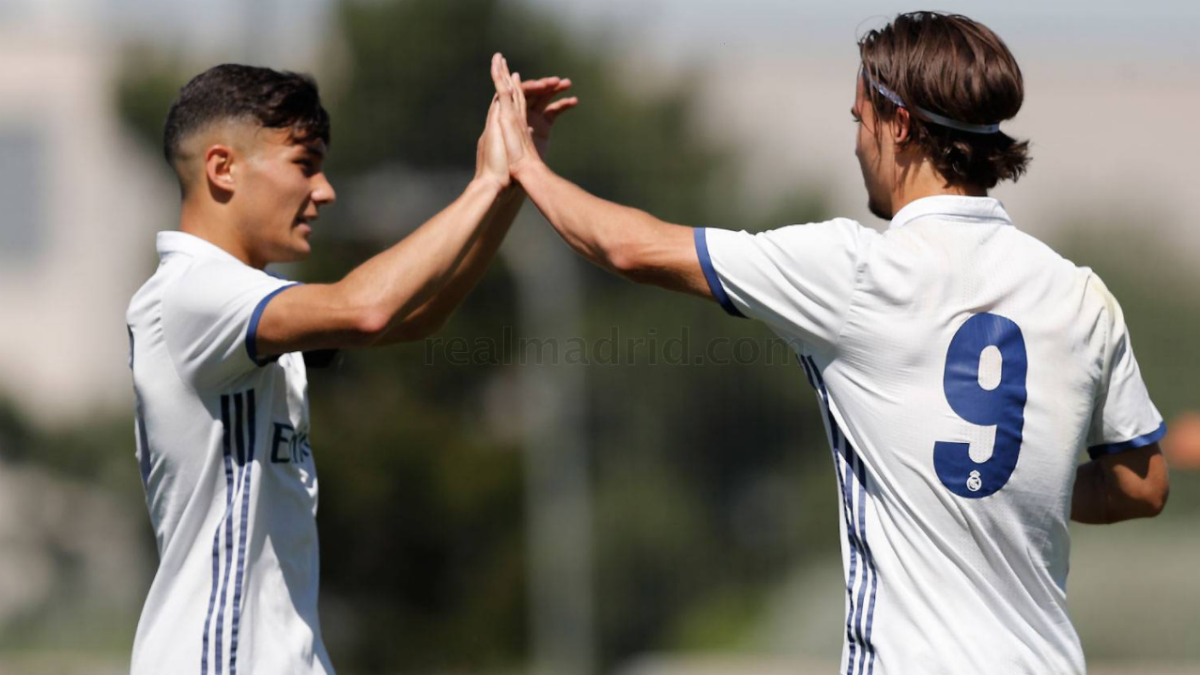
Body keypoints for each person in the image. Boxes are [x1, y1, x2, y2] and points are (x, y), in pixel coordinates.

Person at [488, 11, 1168, 675]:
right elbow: (1143, 484)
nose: (855, 142)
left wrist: (527, 168)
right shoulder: (1081, 294)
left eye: (859, 119)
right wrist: (1017, 486)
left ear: (899, 124)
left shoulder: (854, 271)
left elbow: (630, 247)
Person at [125, 63, 576, 675]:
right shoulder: (192, 293)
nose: (325, 190)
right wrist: (481, 185)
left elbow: (412, 317)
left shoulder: (247, 300)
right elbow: (366, 308)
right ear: (222, 168)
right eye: (305, 164)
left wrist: (511, 185)